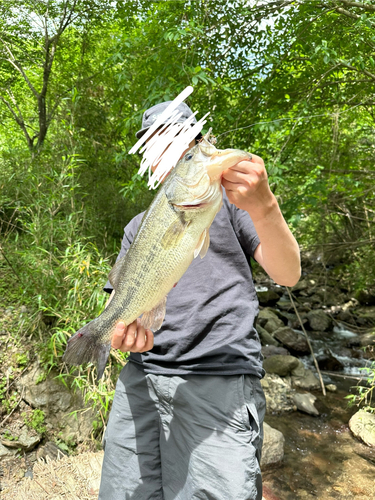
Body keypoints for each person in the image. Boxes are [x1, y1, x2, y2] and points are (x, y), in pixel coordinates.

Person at [98, 101, 301, 500]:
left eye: (185, 146)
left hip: (219, 381)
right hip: (141, 380)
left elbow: (288, 273)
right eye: (156, 149)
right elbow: (121, 305)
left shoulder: (235, 206)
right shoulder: (138, 226)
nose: (171, 157)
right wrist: (122, 334)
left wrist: (265, 207)